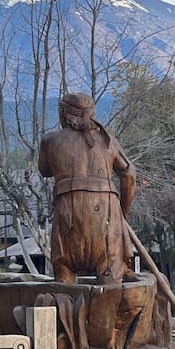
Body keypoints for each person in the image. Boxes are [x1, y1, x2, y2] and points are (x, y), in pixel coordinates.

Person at [38, 92, 137, 284]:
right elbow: (129, 175)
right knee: (109, 286)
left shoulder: (50, 141)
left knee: (64, 282)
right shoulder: (109, 142)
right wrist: (122, 213)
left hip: (67, 223)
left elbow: (44, 170)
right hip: (106, 222)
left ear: (64, 113)